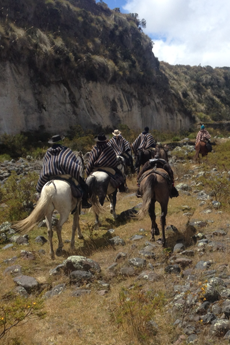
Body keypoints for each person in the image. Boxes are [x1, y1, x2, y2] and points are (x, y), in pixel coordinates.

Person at [36, 134, 91, 208]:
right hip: (64, 175)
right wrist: (79, 168)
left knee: (40, 189)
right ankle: (84, 202)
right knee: (84, 186)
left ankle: (39, 200)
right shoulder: (66, 150)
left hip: (49, 175)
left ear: (52, 143)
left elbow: (45, 165)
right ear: (61, 141)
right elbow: (72, 163)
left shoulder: (48, 152)